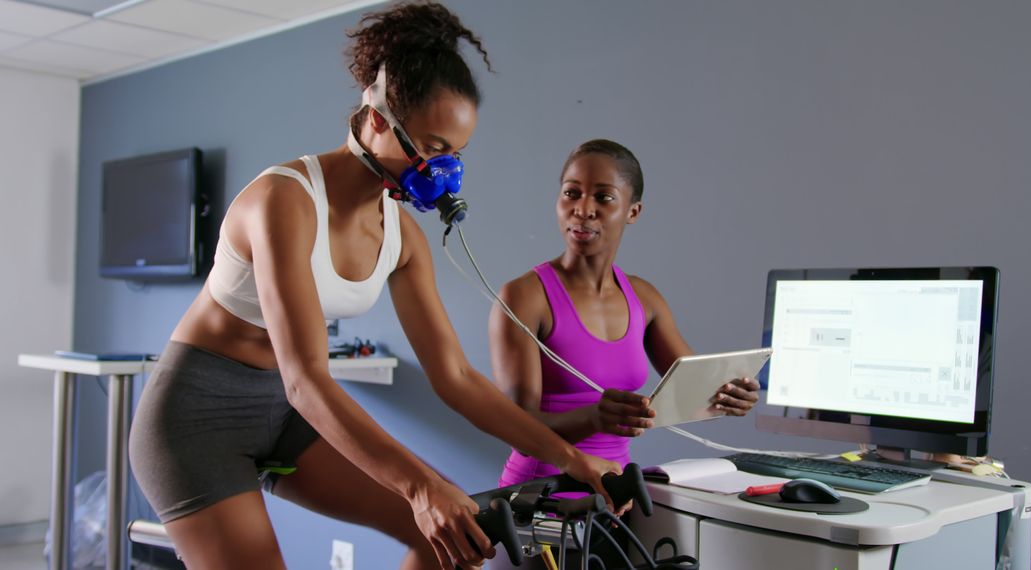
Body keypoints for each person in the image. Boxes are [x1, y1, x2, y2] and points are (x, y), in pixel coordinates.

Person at [128, 4, 621, 569]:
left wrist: (568, 458)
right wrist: (418, 488)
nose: (446, 170)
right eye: (434, 148)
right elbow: (306, 380)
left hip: (285, 413)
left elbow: (455, 378)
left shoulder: (403, 238)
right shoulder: (283, 202)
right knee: (425, 506)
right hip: (197, 414)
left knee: (454, 541)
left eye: (456, 153)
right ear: (379, 118)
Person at [487, 139, 762, 565]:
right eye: (571, 192)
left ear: (632, 211)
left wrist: (731, 395)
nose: (583, 208)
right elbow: (519, 428)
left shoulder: (645, 299)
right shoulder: (524, 296)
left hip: (613, 507)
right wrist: (594, 417)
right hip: (536, 508)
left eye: (604, 197)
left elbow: (693, 386)